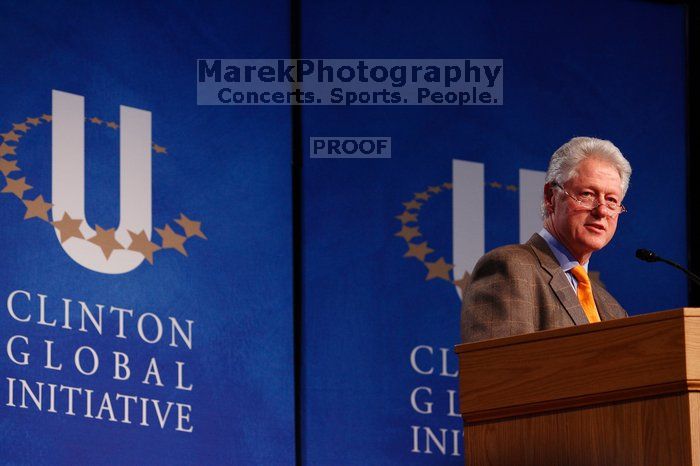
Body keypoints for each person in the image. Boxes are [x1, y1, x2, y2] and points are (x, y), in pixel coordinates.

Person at [460, 137, 630, 343]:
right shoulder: (511, 268)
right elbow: (498, 370)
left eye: (612, 200)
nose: (602, 210)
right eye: (587, 194)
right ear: (551, 197)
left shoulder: (613, 309)